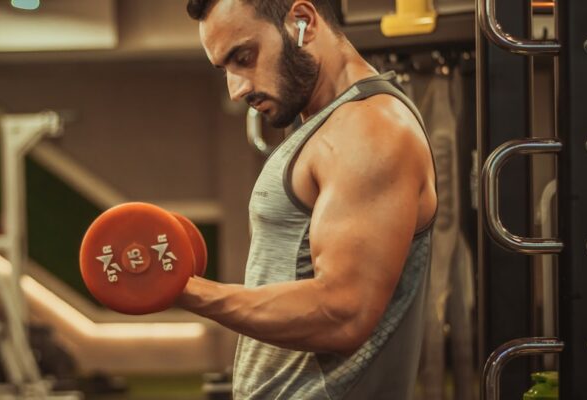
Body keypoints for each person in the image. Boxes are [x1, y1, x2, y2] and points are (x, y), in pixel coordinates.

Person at [176, 0, 438, 398]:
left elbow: (341, 313)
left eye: (244, 57)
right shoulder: (324, 125)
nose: (236, 89)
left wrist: (184, 290)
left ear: (302, 21)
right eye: (226, 69)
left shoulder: (368, 129)